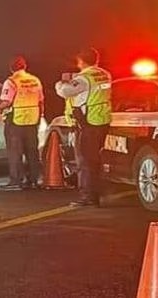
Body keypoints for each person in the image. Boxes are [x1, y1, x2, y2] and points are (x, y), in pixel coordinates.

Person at [55, 47, 112, 206]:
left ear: (80, 62)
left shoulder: (83, 78)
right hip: (102, 120)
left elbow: (66, 92)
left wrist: (60, 84)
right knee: (94, 160)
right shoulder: (105, 74)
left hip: (88, 123)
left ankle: (87, 197)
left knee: (85, 162)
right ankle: (95, 194)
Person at [0, 56, 44, 191]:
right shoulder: (35, 80)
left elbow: (7, 101)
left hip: (16, 120)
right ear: (25, 66)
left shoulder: (11, 81)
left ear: (11, 68)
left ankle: (16, 181)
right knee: (32, 151)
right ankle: (33, 180)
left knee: (15, 151)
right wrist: (40, 116)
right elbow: (41, 101)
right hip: (33, 120)